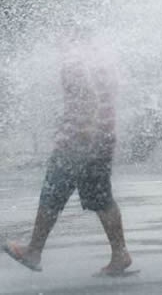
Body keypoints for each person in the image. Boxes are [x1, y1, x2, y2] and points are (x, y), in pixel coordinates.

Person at [2, 24, 132, 277]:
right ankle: (120, 253)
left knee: (52, 192)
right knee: (101, 197)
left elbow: (90, 99)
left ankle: (34, 251)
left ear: (71, 38)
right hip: (103, 138)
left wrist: (82, 133)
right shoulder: (104, 61)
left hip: (78, 142)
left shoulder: (73, 61)